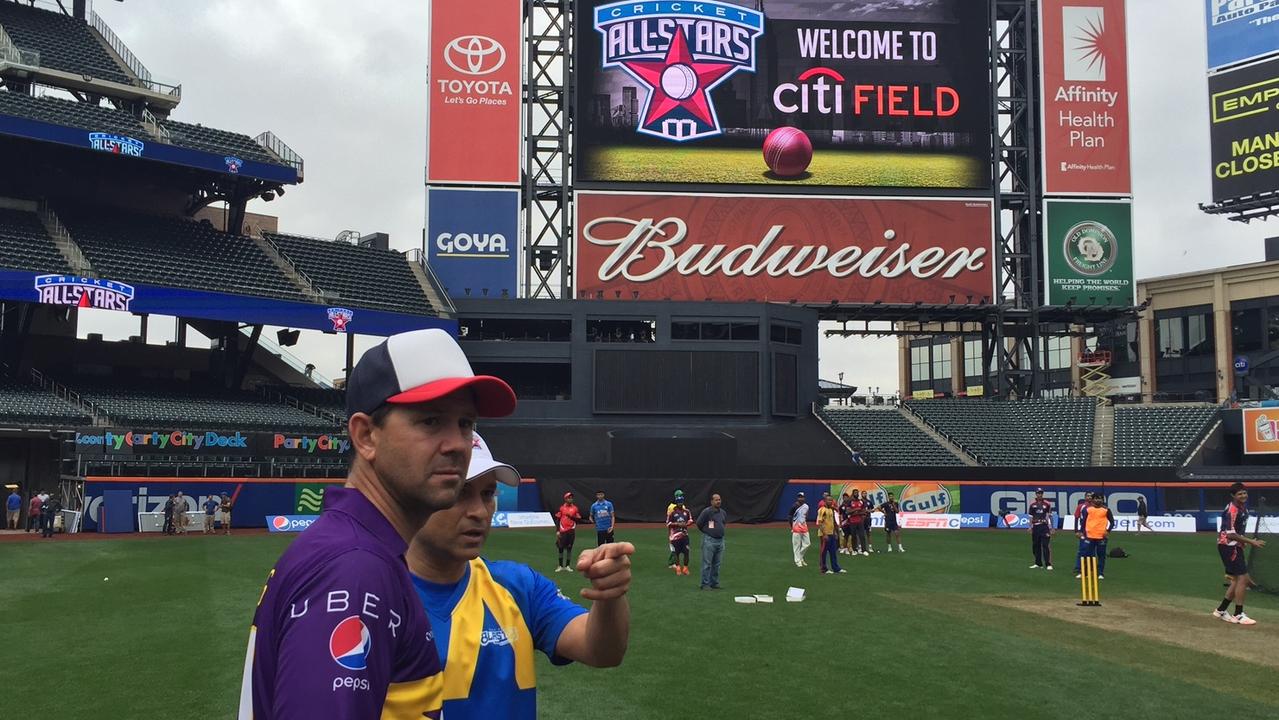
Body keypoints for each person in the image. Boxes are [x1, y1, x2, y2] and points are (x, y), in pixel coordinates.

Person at [238, 327, 516, 719]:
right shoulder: (354, 569)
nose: (457, 444)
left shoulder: (361, 551)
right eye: (432, 421)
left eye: (465, 423)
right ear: (366, 436)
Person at [406, 432, 632, 717]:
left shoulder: (519, 586)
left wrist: (610, 596)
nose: (479, 511)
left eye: (487, 494)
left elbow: (603, 652)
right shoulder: (364, 595)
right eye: (459, 491)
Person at [1214, 482, 1267, 625]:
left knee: (1237, 580)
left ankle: (1221, 610)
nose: (1243, 496)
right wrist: (1251, 542)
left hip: (1234, 546)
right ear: (1233, 496)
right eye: (1240, 494)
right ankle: (1238, 614)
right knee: (1242, 579)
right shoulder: (1233, 509)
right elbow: (1230, 534)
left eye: (1244, 493)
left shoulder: (1242, 507)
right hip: (1229, 546)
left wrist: (1245, 541)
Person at [1076, 493, 1115, 580]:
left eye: (1100, 498)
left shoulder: (1106, 509)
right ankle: (1084, 572)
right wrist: (1080, 531)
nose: (1098, 500)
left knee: (1101, 555)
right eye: (1096, 498)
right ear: (1093, 500)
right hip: (1089, 536)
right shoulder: (1087, 509)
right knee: (1086, 555)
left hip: (1101, 536)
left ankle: (1100, 573)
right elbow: (1083, 522)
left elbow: (1112, 522)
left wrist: (1108, 531)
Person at [695, 493, 727, 590]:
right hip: (709, 540)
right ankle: (704, 584)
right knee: (707, 563)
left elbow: (723, 523)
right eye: (716, 500)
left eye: (719, 499)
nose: (718, 501)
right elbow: (699, 523)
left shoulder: (723, 512)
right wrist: (707, 532)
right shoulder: (707, 512)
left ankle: (714, 582)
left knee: (717, 564)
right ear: (711, 501)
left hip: (720, 541)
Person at [554, 492, 583, 573]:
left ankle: (567, 566)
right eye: (569, 498)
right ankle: (560, 566)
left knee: (569, 548)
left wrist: (571, 517)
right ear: (565, 499)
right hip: (563, 530)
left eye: (571, 498)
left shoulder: (575, 508)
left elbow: (578, 519)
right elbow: (558, 519)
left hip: (571, 530)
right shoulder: (561, 508)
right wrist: (557, 531)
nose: (570, 499)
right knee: (560, 548)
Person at [816, 492, 843, 575]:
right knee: (824, 552)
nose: (830, 502)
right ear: (825, 501)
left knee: (833, 552)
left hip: (831, 533)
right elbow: (820, 523)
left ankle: (836, 568)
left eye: (831, 500)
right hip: (825, 534)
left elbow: (833, 521)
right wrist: (824, 534)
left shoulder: (831, 510)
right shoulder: (822, 510)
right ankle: (823, 568)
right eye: (828, 500)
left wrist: (835, 531)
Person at [1028, 488, 1054, 570]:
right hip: (1035, 526)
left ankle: (1048, 564)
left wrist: (1052, 527)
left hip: (1044, 526)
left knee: (1045, 545)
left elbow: (1050, 516)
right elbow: (1031, 517)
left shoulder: (1047, 504)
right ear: (1036, 494)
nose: (1039, 494)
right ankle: (1038, 563)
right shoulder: (1032, 504)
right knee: (1036, 545)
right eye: (1038, 493)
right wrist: (1030, 526)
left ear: (1042, 494)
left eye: (1041, 493)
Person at [668, 498, 693, 576]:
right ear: (676, 503)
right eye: (679, 502)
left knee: (686, 552)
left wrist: (686, 524)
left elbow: (691, 520)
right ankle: (678, 568)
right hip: (675, 536)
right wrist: (677, 524)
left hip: (685, 535)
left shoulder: (687, 511)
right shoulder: (672, 513)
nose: (680, 503)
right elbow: (668, 523)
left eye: (681, 502)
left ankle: (685, 568)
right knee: (676, 553)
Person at [789, 491, 810, 568]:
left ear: (804, 498)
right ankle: (797, 561)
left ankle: (800, 557)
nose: (801, 498)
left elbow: (806, 515)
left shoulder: (806, 506)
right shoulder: (794, 506)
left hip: (804, 527)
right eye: (799, 497)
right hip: (796, 528)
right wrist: (792, 527)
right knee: (796, 546)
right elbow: (790, 516)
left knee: (807, 544)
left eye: (802, 497)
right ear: (797, 498)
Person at [666, 489, 685, 569]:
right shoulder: (671, 507)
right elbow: (669, 520)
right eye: (680, 495)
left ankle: (673, 561)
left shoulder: (683, 506)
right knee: (674, 546)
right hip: (674, 529)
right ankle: (671, 562)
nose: (682, 497)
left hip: (682, 529)